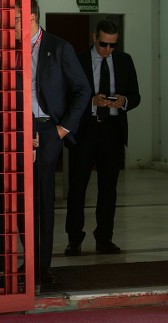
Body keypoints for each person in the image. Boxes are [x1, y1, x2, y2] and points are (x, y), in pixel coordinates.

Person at [14, 0, 91, 285]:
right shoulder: (9, 48)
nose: (10, 26)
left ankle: (41, 267)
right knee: (18, 197)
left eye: (15, 19)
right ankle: (25, 261)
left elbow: (83, 90)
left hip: (47, 128)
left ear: (31, 17)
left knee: (42, 198)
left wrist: (62, 129)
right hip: (15, 129)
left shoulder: (58, 47)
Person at [65, 19, 141, 256]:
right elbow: (66, 94)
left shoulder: (124, 60)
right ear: (93, 38)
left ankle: (104, 238)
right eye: (103, 44)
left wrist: (124, 101)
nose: (108, 50)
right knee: (78, 187)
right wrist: (90, 102)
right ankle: (74, 239)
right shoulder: (78, 60)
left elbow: (135, 95)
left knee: (109, 189)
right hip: (86, 131)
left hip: (113, 130)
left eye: (112, 45)